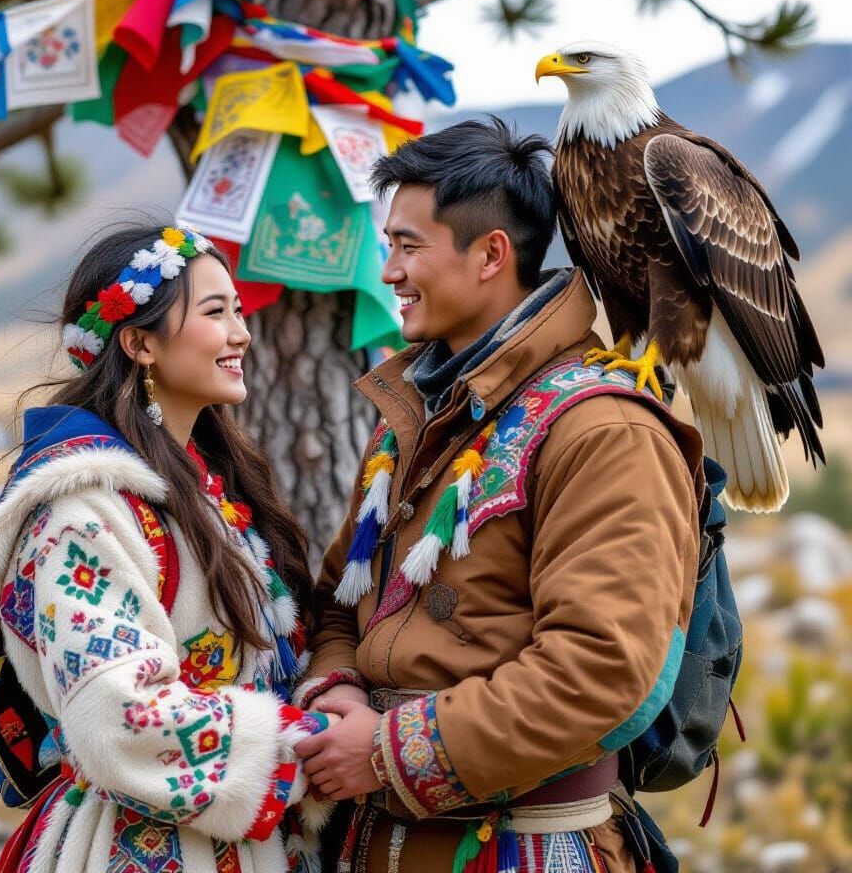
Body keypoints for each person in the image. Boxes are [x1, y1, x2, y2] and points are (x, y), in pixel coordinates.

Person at [293, 118, 705, 873]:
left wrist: (385, 752)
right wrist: (339, 692)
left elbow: (600, 667)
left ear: (491, 254)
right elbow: (336, 606)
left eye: (408, 246)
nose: (388, 271)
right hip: (375, 842)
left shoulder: (603, 429)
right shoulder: (415, 417)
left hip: (526, 847)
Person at [0, 223, 332, 873]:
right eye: (215, 312)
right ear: (140, 342)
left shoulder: (210, 485)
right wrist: (301, 744)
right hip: (145, 842)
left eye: (238, 310)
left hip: (253, 832)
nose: (242, 333)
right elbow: (119, 715)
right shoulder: (81, 512)